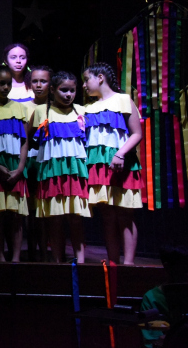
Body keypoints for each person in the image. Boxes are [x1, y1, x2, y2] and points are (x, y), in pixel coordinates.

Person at [83, 62, 143, 265]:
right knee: (108, 217)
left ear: (100, 77)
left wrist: (120, 154)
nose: (84, 85)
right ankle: (113, 263)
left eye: (86, 79)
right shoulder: (88, 108)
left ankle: (129, 264)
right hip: (99, 167)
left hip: (122, 164)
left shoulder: (123, 100)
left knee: (125, 214)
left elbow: (137, 134)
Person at [31, 71, 89, 263]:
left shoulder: (80, 111)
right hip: (51, 172)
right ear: (53, 90)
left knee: (75, 218)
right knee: (54, 219)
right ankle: (57, 260)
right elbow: (27, 139)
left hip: (74, 171)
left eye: (72, 91)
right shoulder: (42, 111)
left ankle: (80, 261)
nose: (68, 95)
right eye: (64, 90)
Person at [0, 66, 29, 262]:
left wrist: (20, 168)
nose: (5, 87)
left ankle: (16, 257)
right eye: (1, 83)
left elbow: (24, 141)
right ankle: (0, 256)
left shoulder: (20, 108)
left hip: (15, 167)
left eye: (8, 84)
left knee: (16, 215)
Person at [23, 65, 53, 261]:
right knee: (30, 211)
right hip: (29, 163)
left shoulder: (57, 107)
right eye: (35, 81)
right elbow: (23, 138)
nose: (39, 85)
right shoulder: (24, 107)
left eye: (43, 81)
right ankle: (32, 253)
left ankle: (44, 253)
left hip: (48, 163)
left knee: (45, 211)